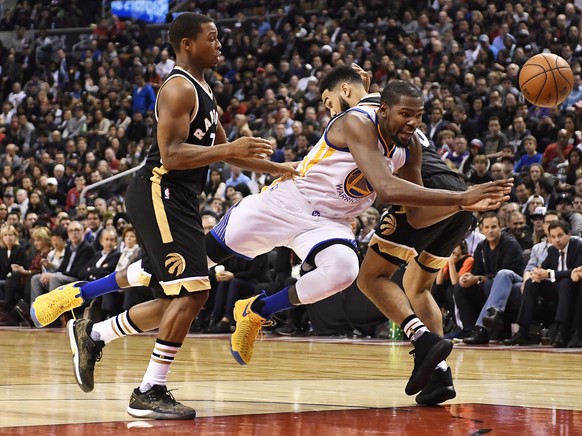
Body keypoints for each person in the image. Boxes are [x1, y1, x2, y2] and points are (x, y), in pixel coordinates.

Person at [29, 13, 289, 420]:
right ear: (187, 44)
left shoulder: (205, 89)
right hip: (159, 191)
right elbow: (171, 154)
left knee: (174, 292)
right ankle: (149, 389)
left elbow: (231, 152)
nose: (219, 45)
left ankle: (94, 332)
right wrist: (228, 149)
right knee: (194, 291)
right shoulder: (178, 88)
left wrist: (282, 170)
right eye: (212, 38)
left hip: (181, 198)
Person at [204, 70, 509, 397]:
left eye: (418, 117)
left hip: (329, 221)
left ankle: (256, 311)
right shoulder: (355, 121)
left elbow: (416, 218)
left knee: (345, 270)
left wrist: (460, 207)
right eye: (405, 115)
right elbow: (387, 189)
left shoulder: (409, 150)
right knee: (199, 260)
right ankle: (148, 273)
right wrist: (460, 198)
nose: (413, 123)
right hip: (288, 201)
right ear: (383, 110)